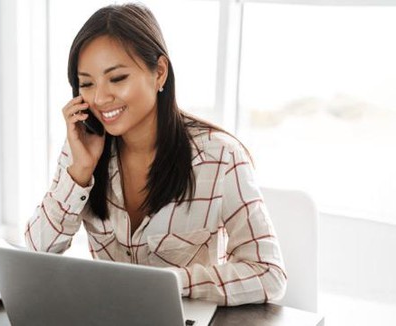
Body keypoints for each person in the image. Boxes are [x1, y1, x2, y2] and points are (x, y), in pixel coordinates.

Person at [25, 3, 286, 306]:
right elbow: (34, 255)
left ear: (159, 72)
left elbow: (268, 273)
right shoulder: (82, 149)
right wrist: (79, 173)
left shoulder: (221, 158)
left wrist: (172, 282)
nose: (99, 97)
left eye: (117, 78)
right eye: (87, 83)